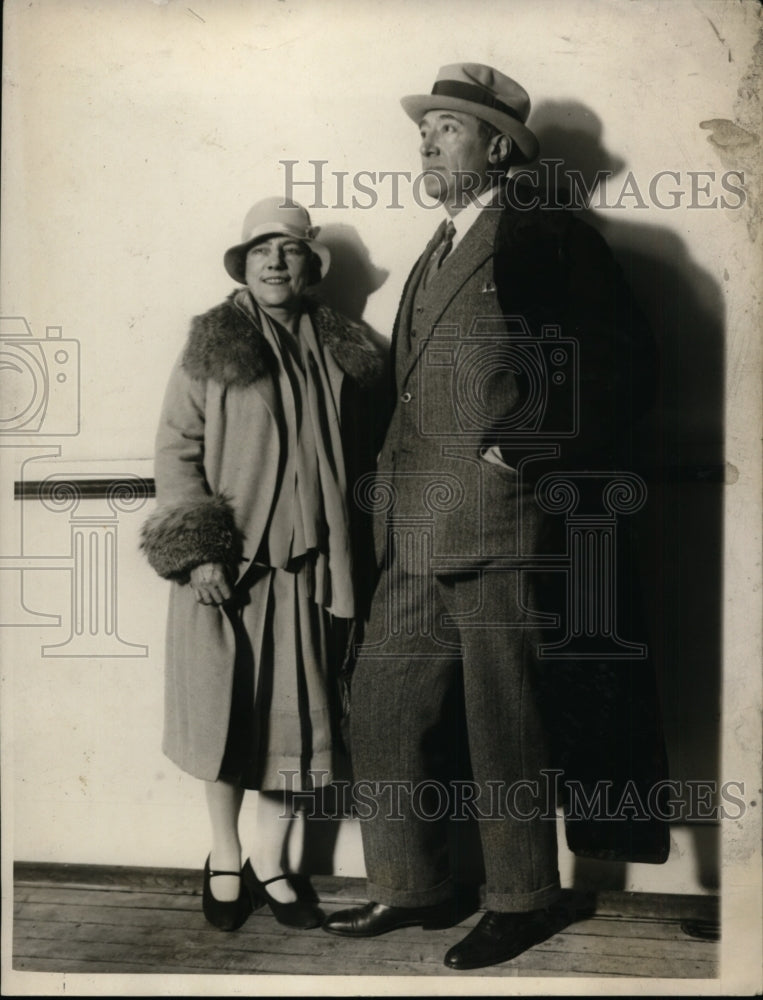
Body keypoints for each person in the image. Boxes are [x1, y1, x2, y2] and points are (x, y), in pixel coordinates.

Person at [322, 63, 665, 969]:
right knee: (383, 706)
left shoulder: (547, 235)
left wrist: (522, 449)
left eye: (448, 127)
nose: (427, 140)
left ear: (499, 145)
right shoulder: (437, 245)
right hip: (411, 529)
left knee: (503, 721)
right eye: (425, 127)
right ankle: (411, 886)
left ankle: (522, 898)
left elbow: (625, 362)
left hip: (502, 523)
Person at [141, 197, 382, 932]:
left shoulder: (347, 348)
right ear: (242, 266)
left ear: (312, 267)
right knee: (224, 721)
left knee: (295, 731)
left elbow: (372, 451)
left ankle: (270, 864)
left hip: (310, 573)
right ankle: (222, 858)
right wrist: (198, 553)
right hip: (230, 574)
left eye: (290, 250)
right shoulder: (213, 345)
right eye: (260, 251)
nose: (275, 261)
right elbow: (177, 449)